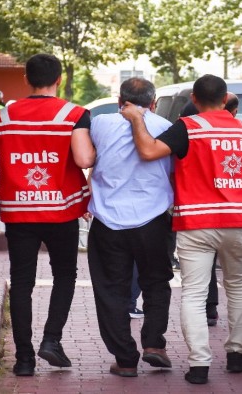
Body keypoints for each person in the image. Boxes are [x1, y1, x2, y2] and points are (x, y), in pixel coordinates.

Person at [120, 75, 242, 385]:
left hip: (197, 223)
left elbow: (149, 151)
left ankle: (199, 365)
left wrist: (137, 120)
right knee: (238, 286)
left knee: (194, 293)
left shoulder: (188, 127)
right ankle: (236, 354)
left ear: (194, 99)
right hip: (239, 221)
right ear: (225, 101)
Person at [0, 54, 95, 377]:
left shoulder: (2, 116)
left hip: (18, 210)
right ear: (59, 79)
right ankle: (51, 340)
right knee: (65, 275)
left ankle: (23, 360)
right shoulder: (73, 114)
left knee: (21, 282)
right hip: (60, 210)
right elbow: (83, 158)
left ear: (26, 79)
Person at [87, 77, 175, 378]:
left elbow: (88, 158)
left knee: (111, 290)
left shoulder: (99, 124)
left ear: (118, 99)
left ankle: (125, 359)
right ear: (153, 102)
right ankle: (153, 344)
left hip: (108, 220)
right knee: (156, 282)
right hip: (152, 220)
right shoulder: (166, 127)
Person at [179, 91, 239, 327]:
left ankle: (199, 359)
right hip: (234, 215)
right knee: (239, 284)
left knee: (195, 283)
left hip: (197, 214)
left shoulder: (186, 128)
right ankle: (236, 349)